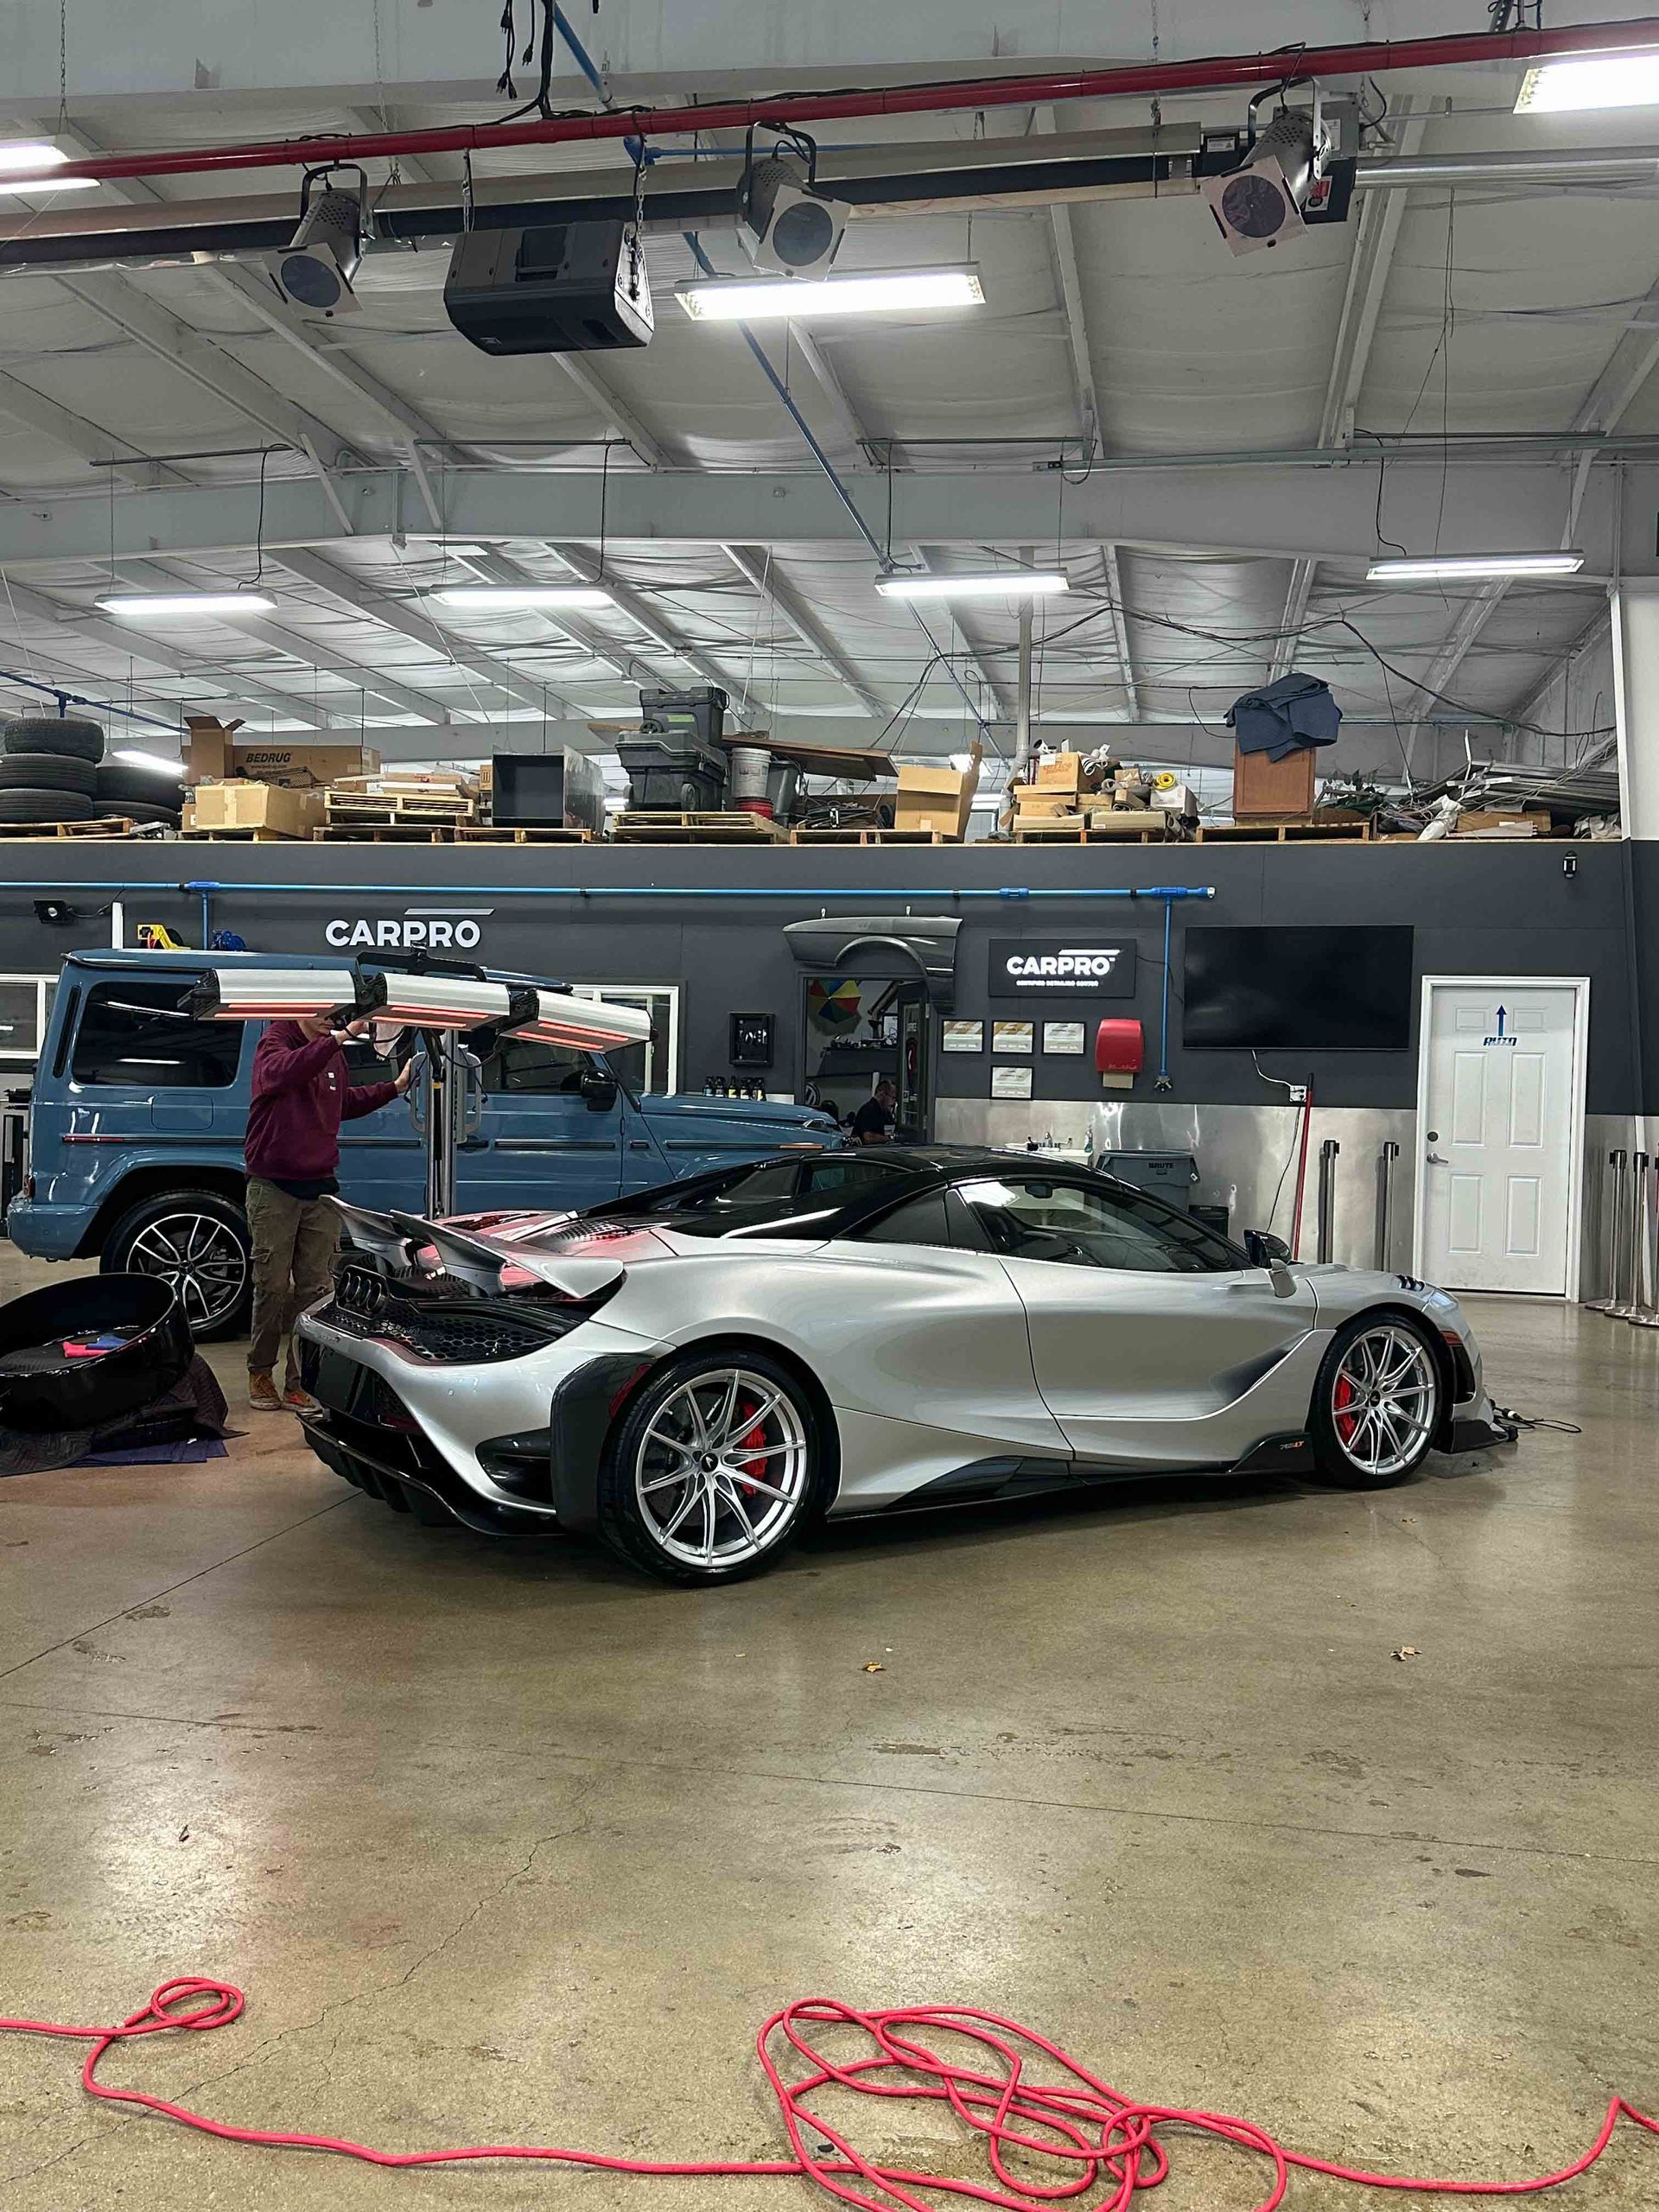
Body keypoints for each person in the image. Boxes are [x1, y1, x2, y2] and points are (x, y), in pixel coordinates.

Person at [243, 1014, 416, 1413]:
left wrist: (394, 1087)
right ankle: (260, 1371)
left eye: (336, 1017)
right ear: (302, 1010)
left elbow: (342, 1102)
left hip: (320, 1188)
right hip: (273, 1186)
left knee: (316, 1291)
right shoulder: (276, 1042)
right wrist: (340, 1038)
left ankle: (299, 1381)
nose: (330, 1022)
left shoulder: (331, 1053)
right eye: (323, 1015)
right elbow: (283, 1074)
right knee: (271, 1286)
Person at [850, 1076, 898, 1146]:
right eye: (893, 1098)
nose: (893, 1102)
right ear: (882, 1094)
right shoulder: (869, 1110)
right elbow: (868, 1138)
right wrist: (891, 1138)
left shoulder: (886, 1113)